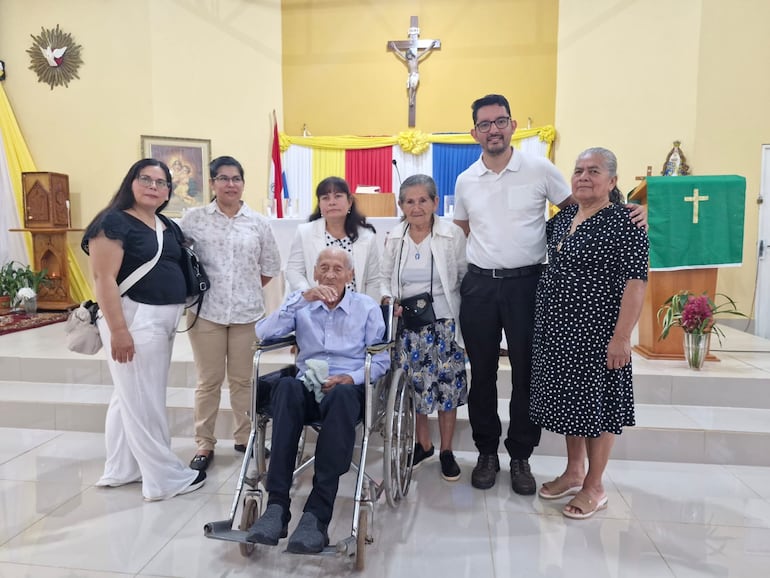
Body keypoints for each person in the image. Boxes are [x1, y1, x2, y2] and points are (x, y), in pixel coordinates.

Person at [453, 94, 647, 494]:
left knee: (527, 372)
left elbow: (581, 206)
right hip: (480, 286)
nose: (493, 129)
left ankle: (521, 455)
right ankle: (487, 453)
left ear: (512, 125)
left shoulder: (540, 168)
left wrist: (632, 208)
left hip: (528, 286)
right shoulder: (465, 179)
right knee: (483, 374)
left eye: (500, 121)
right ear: (475, 132)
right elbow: (464, 230)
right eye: (485, 124)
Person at [530, 148, 648, 519]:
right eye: (578, 170)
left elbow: (636, 283)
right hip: (560, 331)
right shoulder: (563, 218)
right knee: (573, 405)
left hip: (600, 334)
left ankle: (595, 486)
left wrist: (622, 337)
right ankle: (574, 470)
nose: (583, 177)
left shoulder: (626, 222)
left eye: (593, 171)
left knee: (598, 406)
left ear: (612, 181)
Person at [246, 247, 389, 554]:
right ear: (314, 273)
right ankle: (276, 507)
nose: (330, 274)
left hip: (346, 390)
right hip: (307, 387)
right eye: (324, 268)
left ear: (351, 276)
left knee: (340, 396)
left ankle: (316, 516)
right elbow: (262, 334)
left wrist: (351, 377)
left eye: (338, 269)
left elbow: (380, 361)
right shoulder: (301, 304)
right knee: (285, 388)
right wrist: (299, 300)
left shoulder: (366, 307)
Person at [81, 158, 205, 501]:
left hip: (161, 319)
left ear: (168, 190)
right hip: (132, 318)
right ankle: (163, 479)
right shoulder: (112, 223)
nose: (154, 186)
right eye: (146, 179)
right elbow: (103, 279)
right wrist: (119, 331)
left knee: (128, 397)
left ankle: (122, 469)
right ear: (130, 183)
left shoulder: (164, 224)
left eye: (161, 182)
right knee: (144, 400)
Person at [180, 156, 281, 471]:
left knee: (242, 381)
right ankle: (204, 443)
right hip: (206, 312)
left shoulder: (257, 222)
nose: (230, 184)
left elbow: (269, 268)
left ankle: (245, 437)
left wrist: (244, 288)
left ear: (243, 183)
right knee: (208, 381)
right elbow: (181, 261)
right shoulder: (193, 219)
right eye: (223, 178)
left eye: (236, 178)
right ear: (212, 183)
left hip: (246, 314)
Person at [381, 174, 467, 481]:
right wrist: (392, 301)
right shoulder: (394, 236)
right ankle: (423, 444)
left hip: (443, 322)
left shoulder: (451, 234)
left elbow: (460, 274)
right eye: (409, 201)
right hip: (408, 325)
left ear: (434, 202)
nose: (416, 207)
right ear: (401, 205)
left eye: (422, 200)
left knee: (447, 388)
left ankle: (446, 450)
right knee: (414, 388)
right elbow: (383, 276)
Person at [286, 176, 386, 302]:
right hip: (313, 307)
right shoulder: (305, 232)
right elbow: (294, 271)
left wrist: (366, 309)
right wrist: (309, 293)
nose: (332, 202)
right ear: (320, 204)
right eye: (325, 198)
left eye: (338, 196)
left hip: (354, 309)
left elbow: (373, 280)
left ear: (349, 202)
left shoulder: (367, 237)